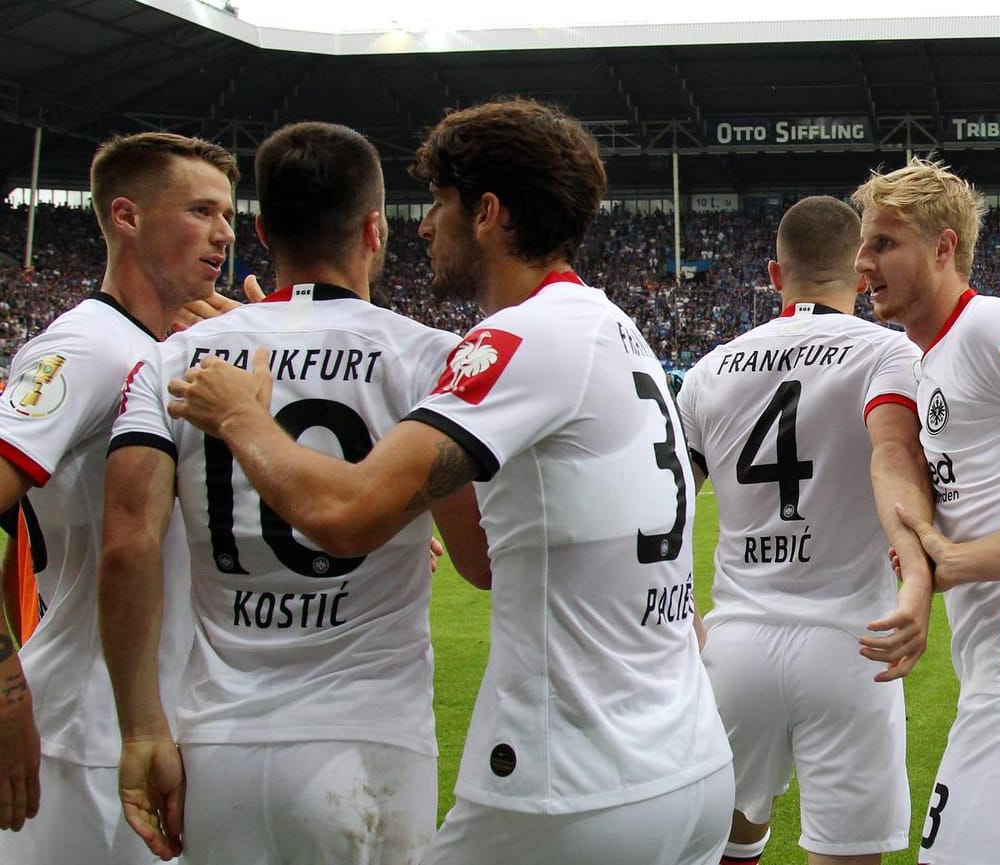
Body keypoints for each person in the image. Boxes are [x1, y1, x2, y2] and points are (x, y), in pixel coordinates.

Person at [163, 97, 734, 865]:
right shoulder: (608, 328)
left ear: (489, 213)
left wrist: (242, 416)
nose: (423, 226)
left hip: (568, 785)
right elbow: (486, 558)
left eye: (439, 203)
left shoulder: (519, 336)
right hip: (684, 760)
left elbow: (345, 514)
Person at [98, 121, 489, 864]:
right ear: (375, 229)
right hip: (368, 740)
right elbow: (480, 551)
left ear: (260, 230)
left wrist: (143, 728)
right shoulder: (431, 358)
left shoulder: (172, 359)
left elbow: (127, 543)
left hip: (219, 744)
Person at [0, 132, 238, 862]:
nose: (224, 233)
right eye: (200, 210)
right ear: (128, 217)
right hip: (78, 738)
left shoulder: (172, 348)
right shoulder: (86, 347)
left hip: (156, 724)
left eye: (227, 214)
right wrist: (6, 696)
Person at [675, 195, 933, 865]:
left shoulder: (708, 371)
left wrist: (681, 622)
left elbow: (662, 510)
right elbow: (893, 455)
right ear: (860, 265)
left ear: (773, 274)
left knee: (720, 837)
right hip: (852, 648)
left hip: (734, 646)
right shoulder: (889, 354)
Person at [850, 159, 1000, 865]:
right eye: (863, 245)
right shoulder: (924, 362)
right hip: (999, 669)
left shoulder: (998, 327)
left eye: (884, 243)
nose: (863, 263)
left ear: (944, 248)